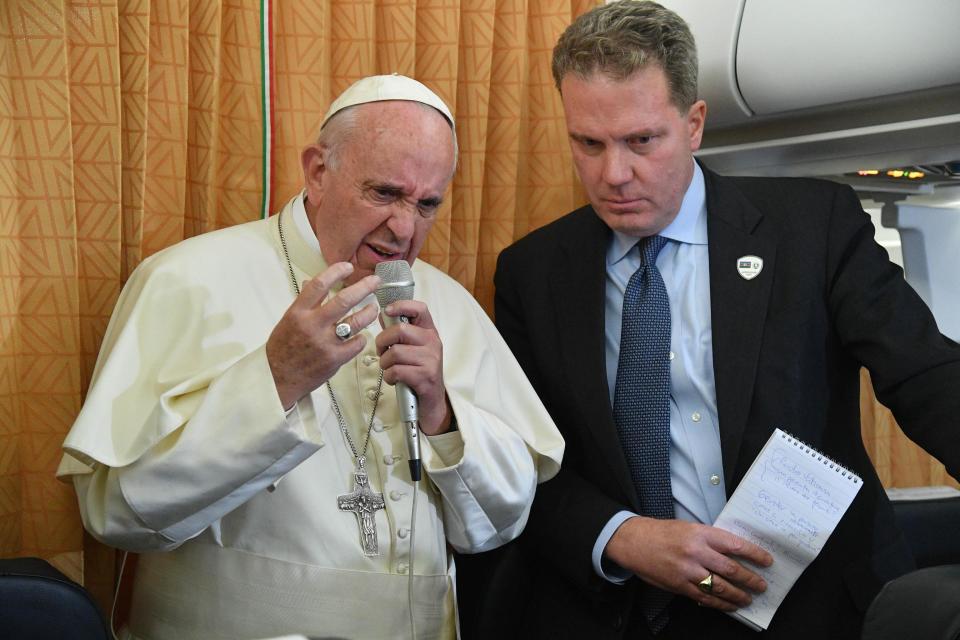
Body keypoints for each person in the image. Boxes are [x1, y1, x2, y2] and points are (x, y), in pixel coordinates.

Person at [477, 2, 960, 638]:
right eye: (587, 144)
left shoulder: (812, 228)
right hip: (631, 611)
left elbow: (925, 374)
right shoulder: (534, 273)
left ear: (695, 123)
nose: (613, 174)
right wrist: (622, 537)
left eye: (642, 141)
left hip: (815, 607)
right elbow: (522, 464)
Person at [57, 74, 564, 640]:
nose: (404, 229)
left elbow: (500, 522)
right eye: (385, 193)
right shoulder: (185, 281)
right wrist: (276, 379)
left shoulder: (449, 304)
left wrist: (443, 415)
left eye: (427, 204)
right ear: (318, 172)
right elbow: (117, 512)